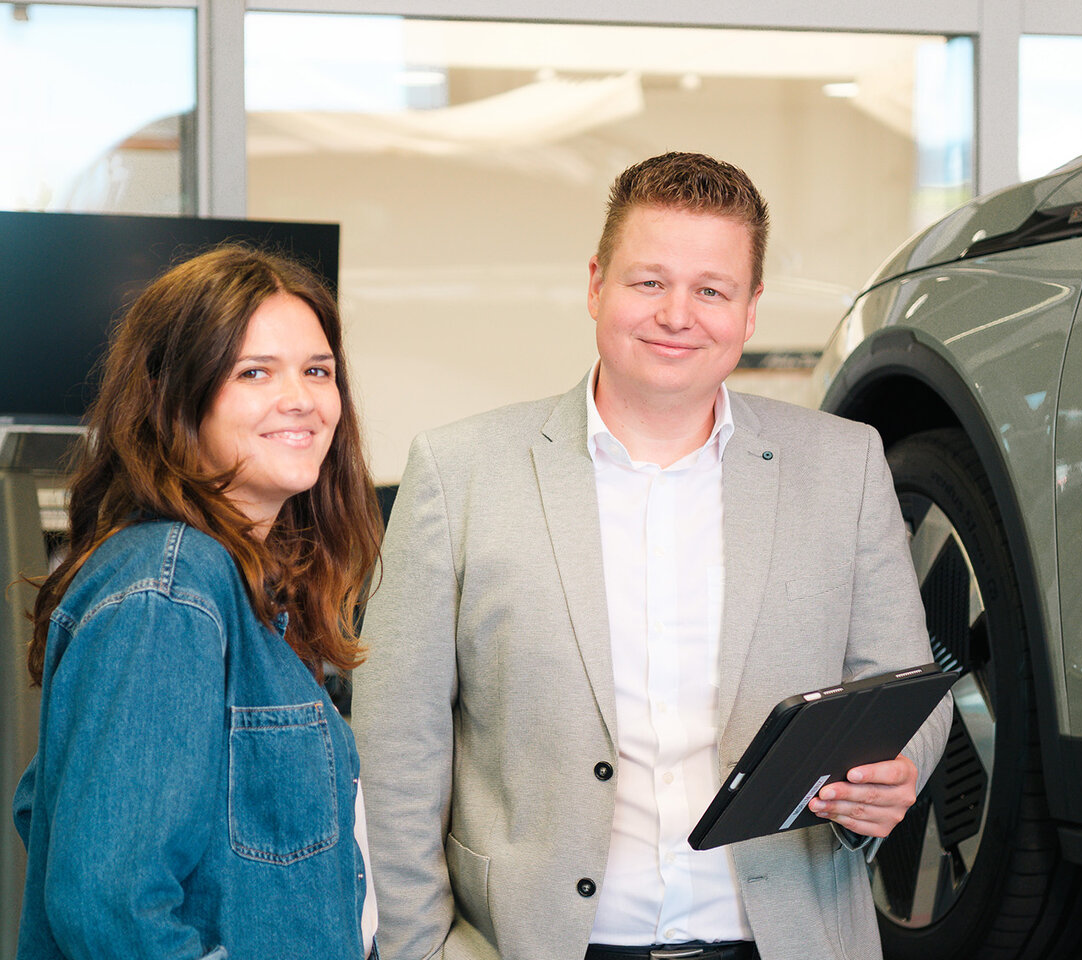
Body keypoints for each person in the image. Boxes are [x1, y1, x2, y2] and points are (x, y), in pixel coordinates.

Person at [354, 152, 951, 960]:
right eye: (648, 282)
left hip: (789, 939)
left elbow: (907, 693)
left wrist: (891, 779)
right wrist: (417, 950)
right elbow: (397, 745)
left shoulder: (844, 465)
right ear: (596, 285)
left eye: (712, 289)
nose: (679, 314)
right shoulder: (458, 473)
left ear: (749, 311)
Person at [13, 245, 383, 959]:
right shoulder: (172, 589)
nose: (302, 399)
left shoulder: (245, 588)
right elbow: (111, 904)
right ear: (176, 397)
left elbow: (48, 811)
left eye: (317, 371)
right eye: (254, 372)